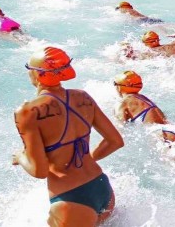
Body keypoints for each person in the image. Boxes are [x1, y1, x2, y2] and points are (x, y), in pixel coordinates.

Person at [13, 47, 124, 227]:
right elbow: (115, 142)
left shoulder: (27, 112)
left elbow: (39, 171)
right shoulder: (83, 97)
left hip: (71, 199)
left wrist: (20, 157)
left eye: (29, 68)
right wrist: (85, 159)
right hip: (102, 187)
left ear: (38, 74)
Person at [113, 71, 175, 145]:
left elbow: (119, 130)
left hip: (162, 133)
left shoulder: (122, 103)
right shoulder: (145, 99)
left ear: (119, 87)